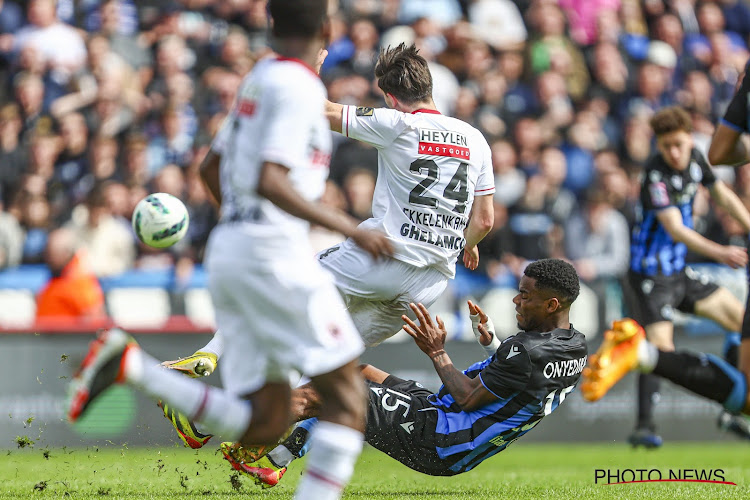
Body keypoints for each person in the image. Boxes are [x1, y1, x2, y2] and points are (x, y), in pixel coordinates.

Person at [67, 3, 393, 500]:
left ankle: (132, 367)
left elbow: (210, 171)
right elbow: (270, 179)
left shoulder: (260, 79)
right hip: (274, 256)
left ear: (271, 25)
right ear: (326, 30)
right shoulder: (298, 87)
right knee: (347, 399)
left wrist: (240, 226)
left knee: (264, 424)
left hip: (234, 253)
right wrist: (353, 228)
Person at [159, 42, 495, 448]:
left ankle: (210, 353)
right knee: (323, 354)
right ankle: (220, 425)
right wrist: (467, 243)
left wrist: (306, 67)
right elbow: (484, 220)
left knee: (278, 287)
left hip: (380, 258)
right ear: (430, 86)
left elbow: (323, 110)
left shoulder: (396, 122)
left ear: (390, 96)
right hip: (430, 285)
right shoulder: (475, 138)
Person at [223, 259, 587, 486]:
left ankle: (218, 421)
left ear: (551, 303)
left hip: (444, 437)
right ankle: (277, 460)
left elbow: (467, 398)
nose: (515, 300)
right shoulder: (574, 346)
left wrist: (437, 352)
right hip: (449, 424)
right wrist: (493, 344)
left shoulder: (524, 351)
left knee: (329, 393)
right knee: (354, 370)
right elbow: (523, 378)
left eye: (525, 295)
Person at [623, 106, 750, 448]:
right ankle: (644, 427)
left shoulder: (696, 157)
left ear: (690, 138)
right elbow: (674, 229)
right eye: (666, 147)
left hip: (680, 272)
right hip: (651, 276)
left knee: (742, 322)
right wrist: (720, 252)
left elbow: (722, 195)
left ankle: (732, 408)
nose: (674, 153)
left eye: (678, 144)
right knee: (661, 351)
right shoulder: (654, 174)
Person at [35, 227, 106, 324]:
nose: (47, 258)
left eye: (51, 253)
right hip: (45, 335)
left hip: (67, 337)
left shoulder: (80, 280)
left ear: (66, 253)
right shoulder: (57, 274)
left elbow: (94, 319)